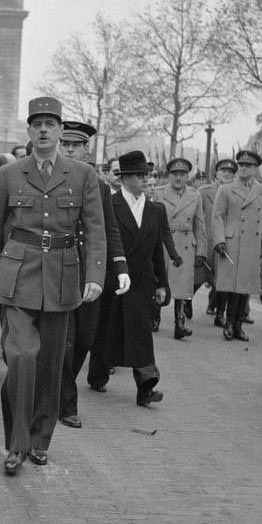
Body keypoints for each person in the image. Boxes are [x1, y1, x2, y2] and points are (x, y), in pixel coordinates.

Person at [0, 96, 106, 476]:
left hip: (63, 278)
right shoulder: (10, 173)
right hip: (17, 277)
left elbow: (96, 230)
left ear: (61, 130)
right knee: (20, 357)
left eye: (51, 124)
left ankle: (39, 440)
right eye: (38, 124)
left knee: (51, 365)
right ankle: (16, 445)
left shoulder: (83, 175)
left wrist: (95, 276)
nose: (45, 130)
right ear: (30, 131)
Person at [57, 121, 129, 430]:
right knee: (63, 340)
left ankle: (58, 389)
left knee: (84, 338)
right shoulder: (49, 179)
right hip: (57, 269)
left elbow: (108, 229)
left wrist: (120, 266)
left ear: (87, 149)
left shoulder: (98, 185)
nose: (70, 149)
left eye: (76, 145)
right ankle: (64, 402)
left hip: (88, 272)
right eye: (66, 144)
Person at [95, 150, 168, 406]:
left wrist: (163, 284)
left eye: (145, 175)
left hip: (142, 281)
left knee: (141, 332)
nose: (144, 180)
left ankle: (146, 385)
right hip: (113, 279)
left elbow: (157, 249)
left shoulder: (154, 209)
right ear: (125, 178)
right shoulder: (110, 205)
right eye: (138, 176)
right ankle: (97, 374)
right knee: (108, 329)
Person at [211, 150, 262, 341]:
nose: (244, 168)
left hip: (253, 244)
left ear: (256, 169)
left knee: (245, 286)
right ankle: (229, 324)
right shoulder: (226, 189)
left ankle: (238, 325)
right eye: (241, 165)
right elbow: (217, 217)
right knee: (231, 286)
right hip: (232, 243)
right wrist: (219, 240)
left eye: (248, 166)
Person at [157, 158, 207, 340]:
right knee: (160, 280)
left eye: (182, 174)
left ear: (188, 176)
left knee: (183, 287)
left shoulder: (195, 195)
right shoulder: (158, 193)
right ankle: (155, 316)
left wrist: (202, 250)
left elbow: (200, 224)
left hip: (186, 244)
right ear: (169, 175)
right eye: (174, 174)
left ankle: (180, 324)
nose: (178, 178)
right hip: (164, 243)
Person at [198, 159, 237, 325]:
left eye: (230, 172)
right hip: (206, 242)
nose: (226, 174)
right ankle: (185, 303)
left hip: (226, 242)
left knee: (224, 279)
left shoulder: (236, 193)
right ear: (216, 173)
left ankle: (220, 313)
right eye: (223, 171)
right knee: (198, 276)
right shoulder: (203, 192)